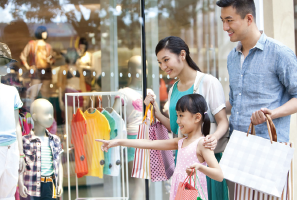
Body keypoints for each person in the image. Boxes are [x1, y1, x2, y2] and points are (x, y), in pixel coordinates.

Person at [216, 0, 297, 198]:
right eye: (222, 21)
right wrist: (211, 109)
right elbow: (236, 101)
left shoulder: (280, 53)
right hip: (236, 148)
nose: (225, 27)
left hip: (267, 150)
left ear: (249, 18)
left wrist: (272, 113)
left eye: (229, 20)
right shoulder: (232, 58)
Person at [144, 36, 229, 200]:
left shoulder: (208, 82)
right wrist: (157, 113)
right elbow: (176, 127)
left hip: (206, 161)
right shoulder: (173, 89)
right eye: (160, 62)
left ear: (182, 54)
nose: (163, 67)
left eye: (166, 60)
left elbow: (223, 121)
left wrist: (213, 138)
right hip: (183, 162)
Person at [97, 94, 224, 200]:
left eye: (181, 116)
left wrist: (200, 167)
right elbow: (149, 144)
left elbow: (219, 175)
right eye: (177, 115)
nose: (177, 121)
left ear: (197, 117)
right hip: (179, 194)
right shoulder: (180, 142)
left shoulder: (202, 144)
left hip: (193, 195)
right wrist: (117, 142)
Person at [19, 99, 63, 199]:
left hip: (50, 185)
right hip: (32, 186)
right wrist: (21, 184)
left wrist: (60, 184)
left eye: (51, 114)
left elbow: (58, 163)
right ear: (34, 116)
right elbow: (20, 166)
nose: (50, 117)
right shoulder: (25, 141)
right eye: (46, 114)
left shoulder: (55, 140)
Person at [0, 42, 25, 200]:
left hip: (13, 148)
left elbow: (17, 125)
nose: (7, 66)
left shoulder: (12, 91)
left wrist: (21, 154)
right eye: (4, 62)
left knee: (9, 193)